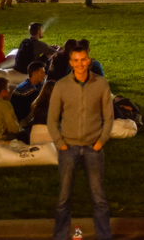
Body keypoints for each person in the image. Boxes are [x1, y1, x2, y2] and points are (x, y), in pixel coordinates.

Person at [47, 46, 114, 240]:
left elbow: (109, 117)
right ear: (70, 63)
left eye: (83, 59)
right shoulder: (61, 86)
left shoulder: (101, 84)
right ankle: (60, 236)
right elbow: (52, 119)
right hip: (69, 148)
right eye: (76, 60)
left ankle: (104, 236)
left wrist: (100, 142)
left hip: (93, 148)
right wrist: (60, 144)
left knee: (99, 198)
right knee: (63, 199)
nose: (80, 64)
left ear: (89, 60)